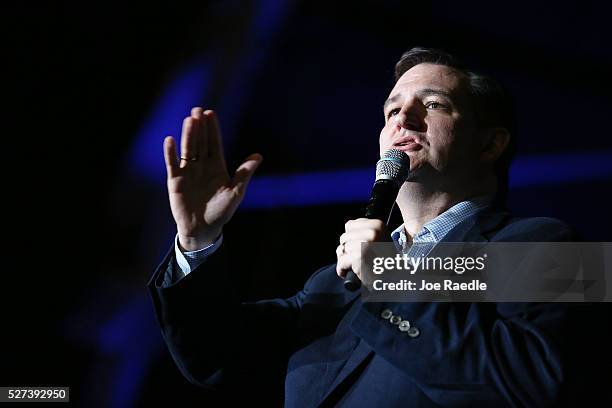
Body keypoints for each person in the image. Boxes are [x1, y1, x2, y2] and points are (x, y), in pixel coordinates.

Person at [148, 47, 594, 407]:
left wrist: (389, 278)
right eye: (392, 109)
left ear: (491, 143)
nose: (403, 118)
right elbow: (217, 357)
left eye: (434, 104)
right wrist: (197, 240)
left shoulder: (547, 243)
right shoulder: (332, 285)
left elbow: (536, 384)